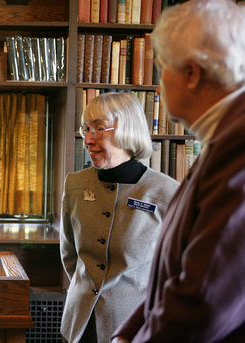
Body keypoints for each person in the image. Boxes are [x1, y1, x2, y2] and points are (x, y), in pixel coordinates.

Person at [111, 0, 245, 342]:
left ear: (191, 73)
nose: (158, 86)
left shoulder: (238, 143)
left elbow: (203, 300)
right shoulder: (223, 137)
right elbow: (171, 278)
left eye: (160, 69)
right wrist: (127, 335)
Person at [60, 92, 179, 343]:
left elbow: (175, 272)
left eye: (99, 129)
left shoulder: (167, 193)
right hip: (78, 325)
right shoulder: (75, 184)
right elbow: (70, 255)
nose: (88, 139)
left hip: (133, 329)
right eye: (86, 129)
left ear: (127, 129)